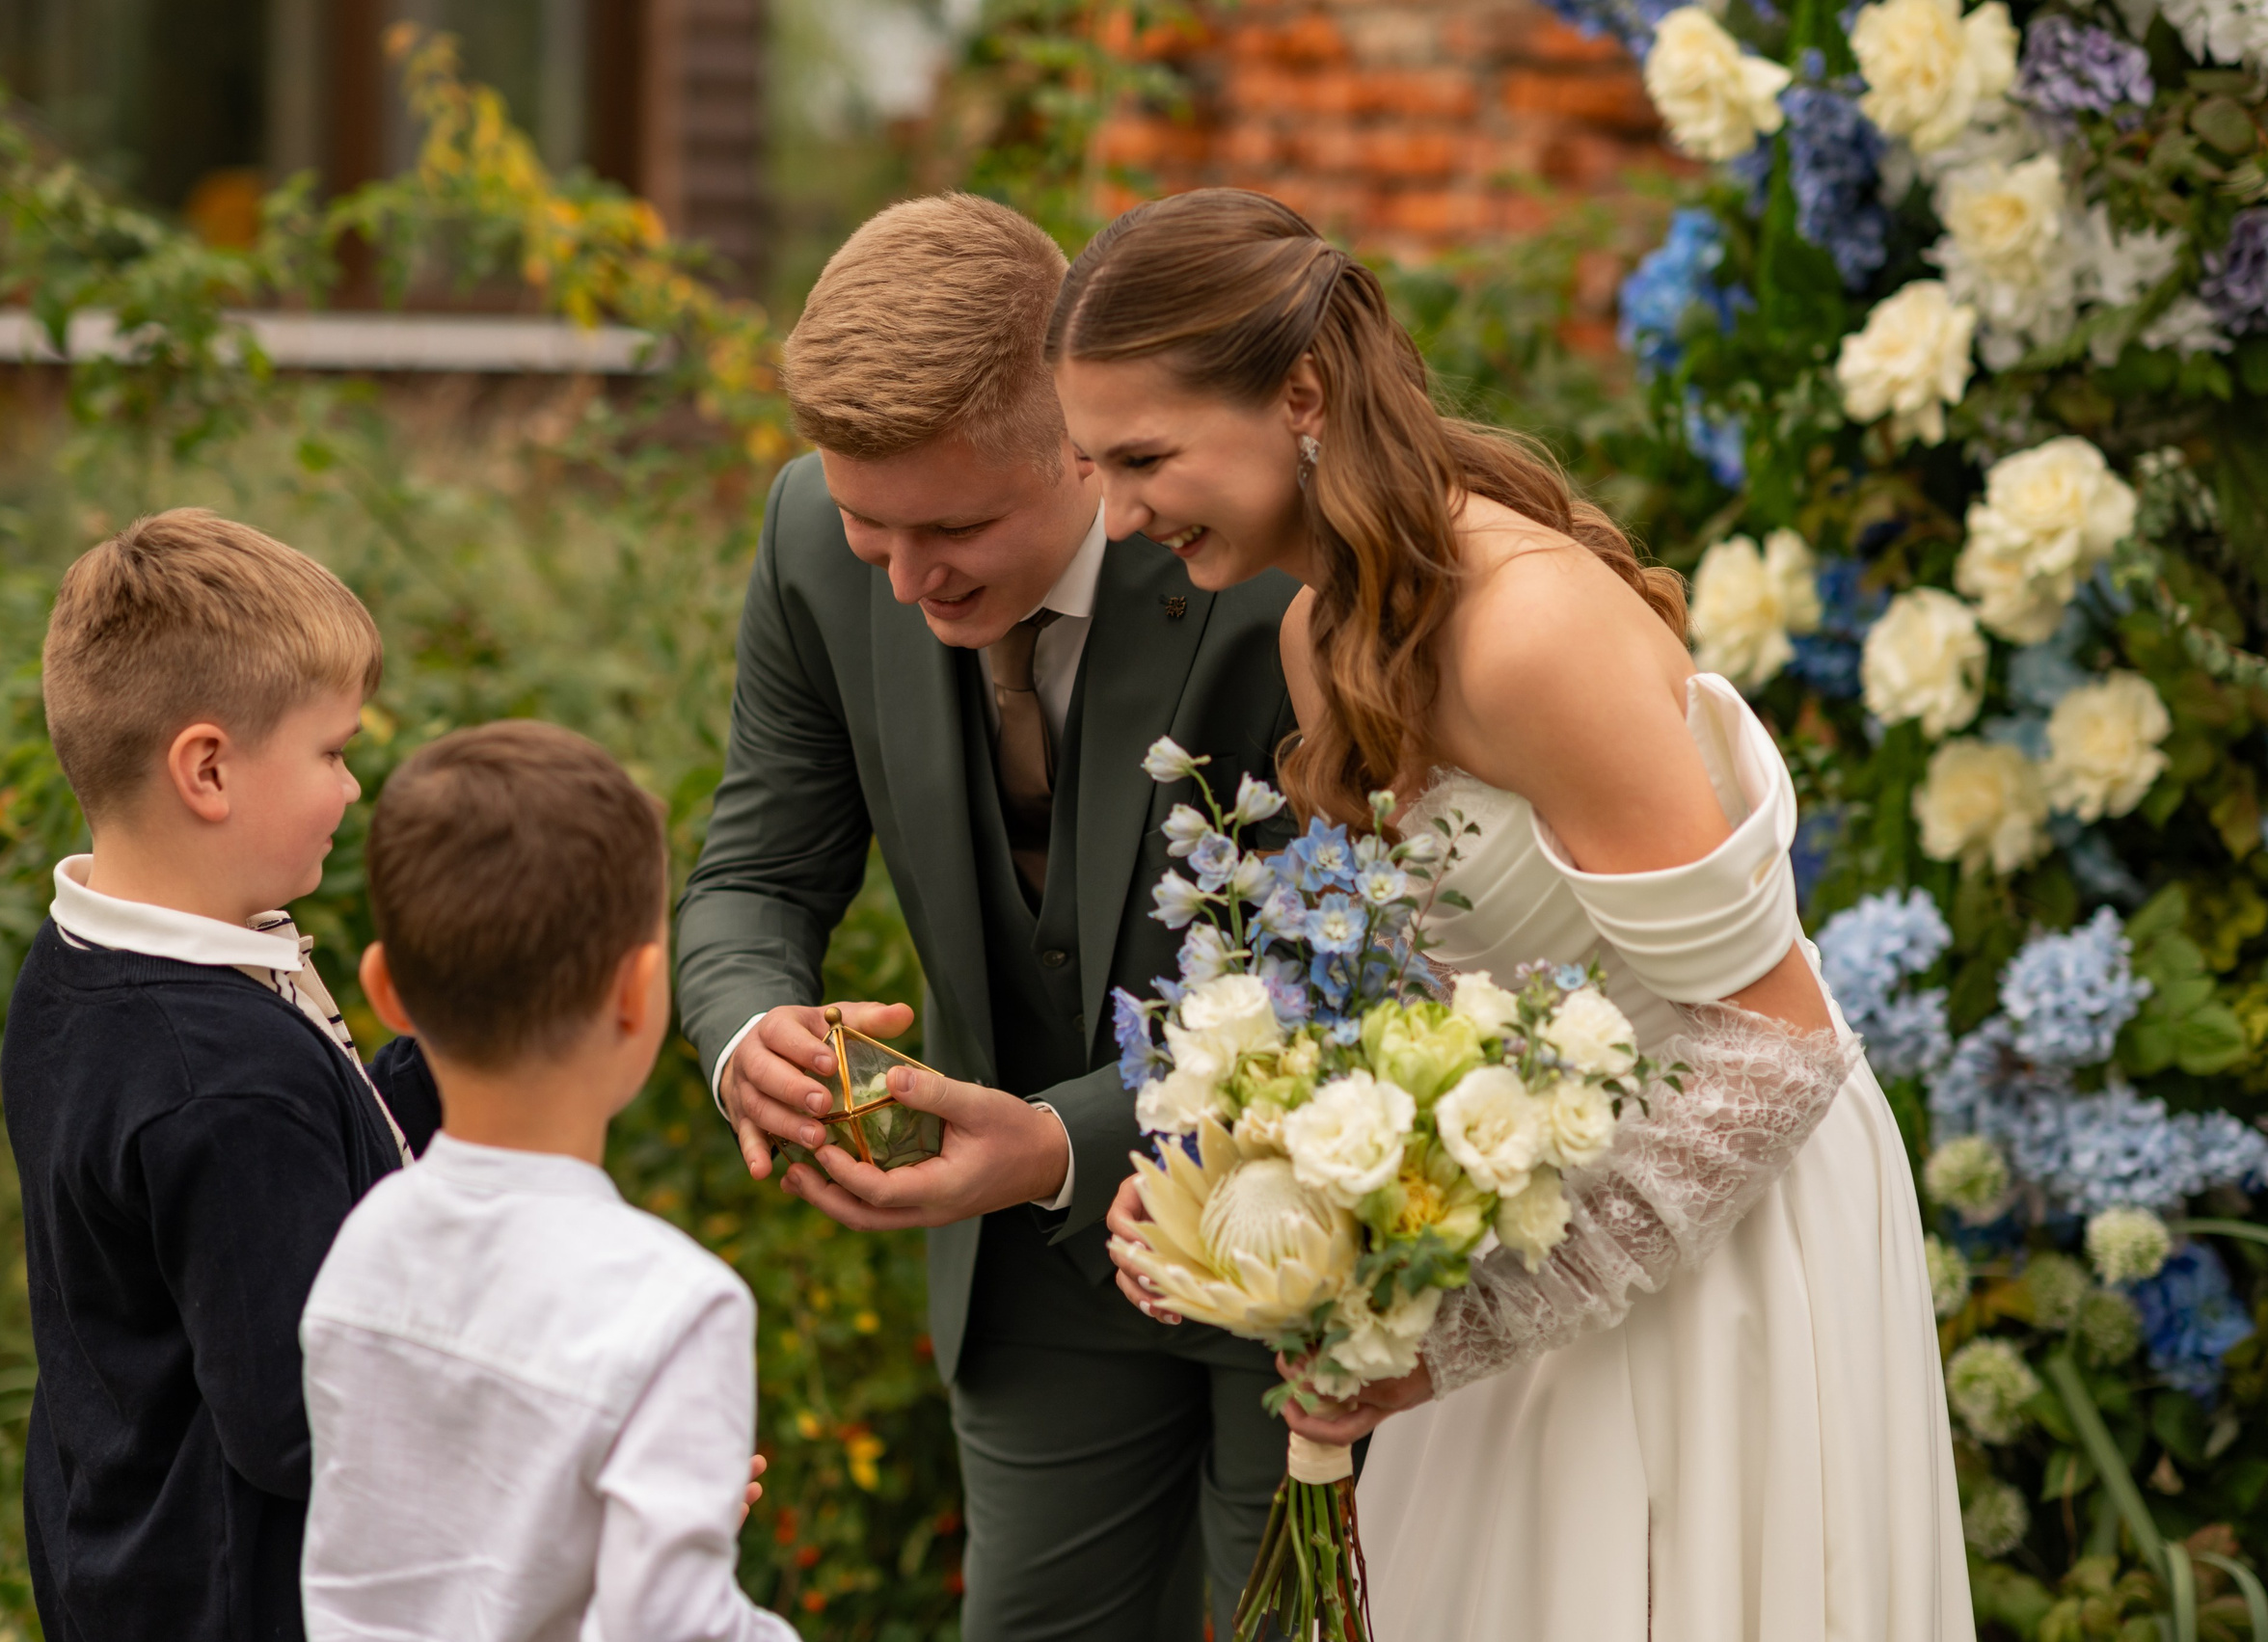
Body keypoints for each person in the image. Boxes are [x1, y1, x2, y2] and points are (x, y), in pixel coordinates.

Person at [1055, 189, 1971, 1641]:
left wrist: (1456, 1325)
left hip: (1719, 1235)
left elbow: (1777, 1045)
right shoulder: (1319, 633)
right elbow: (1420, 1005)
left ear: (1299, 391)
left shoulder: (1528, 630)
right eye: (1091, 466)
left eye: (1145, 458)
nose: (1116, 518)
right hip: (1527, 1216)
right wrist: (1247, 1201)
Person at [673, 191, 1298, 1639]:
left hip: (1301, 1236)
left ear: (1080, 443)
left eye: (953, 526)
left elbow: (1360, 961)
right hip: (1030, 1297)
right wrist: (749, 1026)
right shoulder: (815, 546)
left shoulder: (1254, 559)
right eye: (864, 522)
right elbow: (756, 872)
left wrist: (1063, 1140)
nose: (902, 576)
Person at [2, 509, 437, 1642]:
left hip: (120, 1550)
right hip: (231, 1599)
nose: (352, 787)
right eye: (333, 750)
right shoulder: (220, 1079)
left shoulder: (83, 964)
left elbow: (318, 1155)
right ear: (207, 768)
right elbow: (303, 1420)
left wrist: (476, 1054)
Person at [298, 721, 788, 1640]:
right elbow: (672, 1626)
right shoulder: (677, 1306)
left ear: (386, 990)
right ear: (640, 992)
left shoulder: (358, 1246)